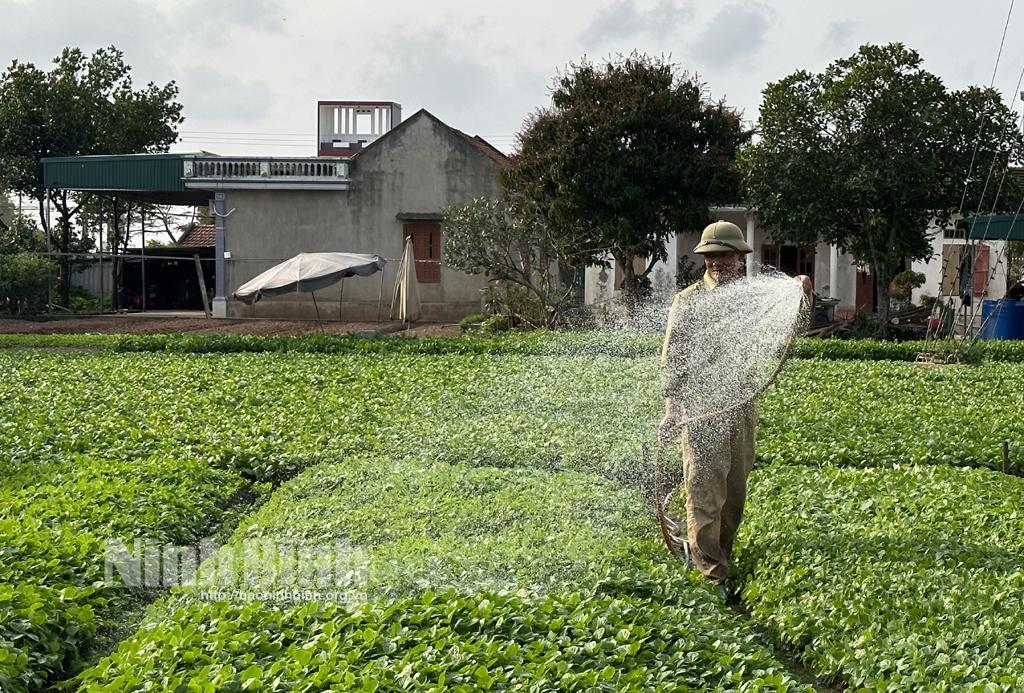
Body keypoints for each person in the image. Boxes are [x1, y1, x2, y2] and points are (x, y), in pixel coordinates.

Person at [657, 220, 812, 595]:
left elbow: (790, 324)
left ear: (740, 258)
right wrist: (671, 408)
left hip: (742, 404)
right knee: (705, 491)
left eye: (725, 255)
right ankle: (710, 573)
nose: (717, 263)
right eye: (711, 256)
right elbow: (673, 358)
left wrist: (802, 292)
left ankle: (719, 556)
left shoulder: (752, 297)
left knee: (734, 492)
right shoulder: (689, 301)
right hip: (701, 408)